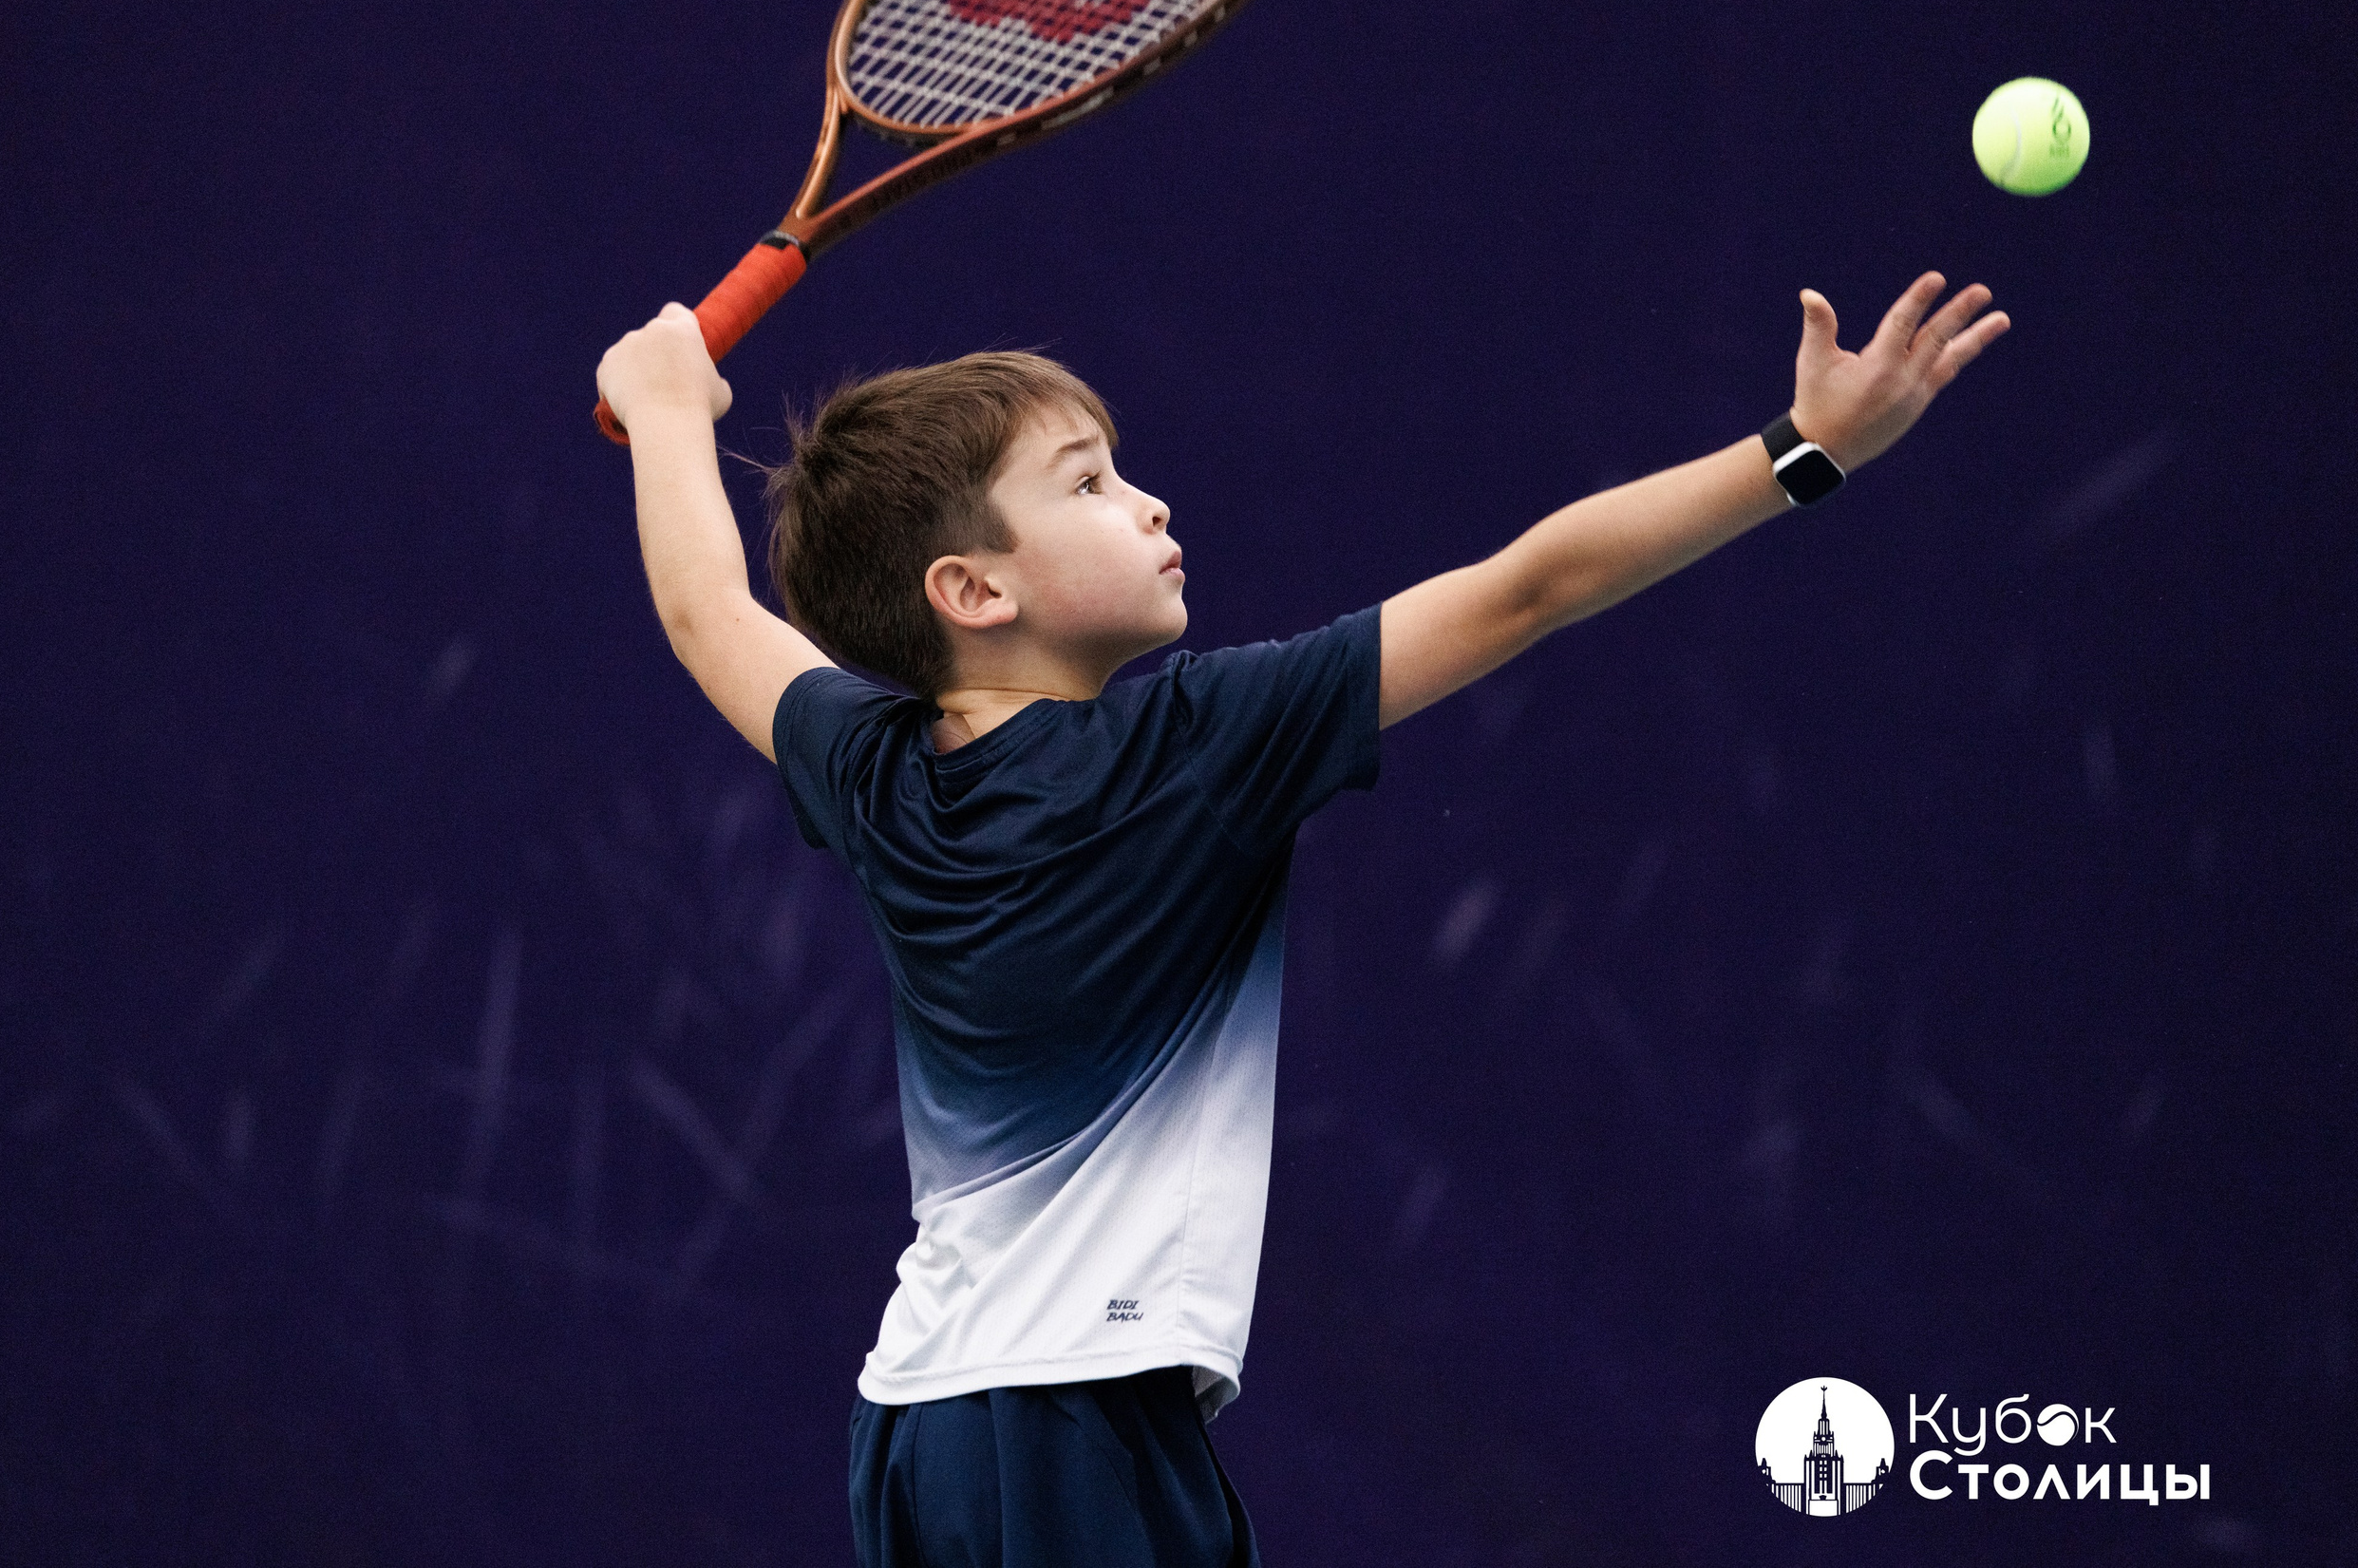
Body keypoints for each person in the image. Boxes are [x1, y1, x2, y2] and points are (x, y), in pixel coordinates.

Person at [593, 273, 2008, 1567]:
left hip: (919, 1431)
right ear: (972, 592)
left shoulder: (873, 772)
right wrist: (1805, 449)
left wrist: (664, 412)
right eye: (1089, 484)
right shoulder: (1198, 747)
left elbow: (708, 610)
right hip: (1070, 1427)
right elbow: (1531, 586)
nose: (1148, 504)